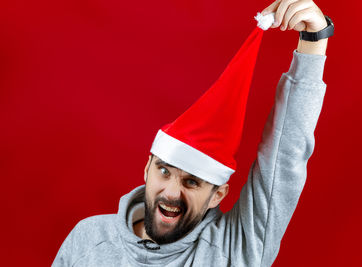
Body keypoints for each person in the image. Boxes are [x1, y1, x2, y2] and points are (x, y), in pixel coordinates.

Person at [53, 0, 333, 266]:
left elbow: (283, 160)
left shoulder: (234, 250)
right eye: (164, 171)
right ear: (147, 167)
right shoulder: (88, 240)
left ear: (217, 195)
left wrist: (314, 41)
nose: (172, 193)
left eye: (192, 182)